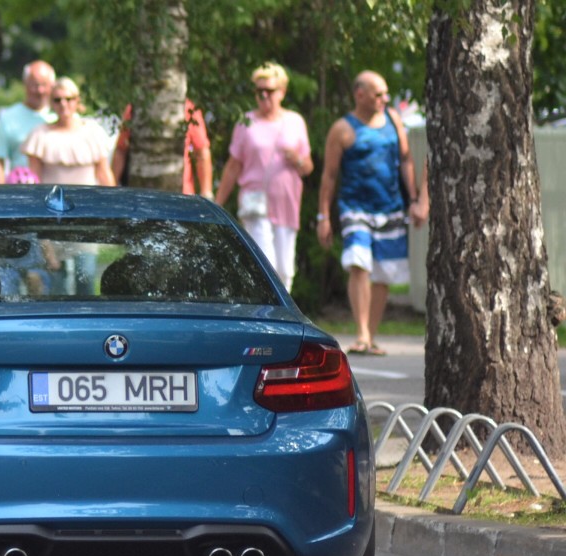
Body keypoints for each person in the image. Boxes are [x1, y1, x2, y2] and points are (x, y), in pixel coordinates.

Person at [317, 70, 423, 355]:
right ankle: (362, 333)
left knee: (383, 274)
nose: (384, 99)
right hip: (355, 208)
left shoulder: (393, 120)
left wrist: (413, 198)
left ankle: (371, 336)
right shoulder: (343, 129)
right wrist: (323, 217)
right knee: (358, 262)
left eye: (386, 93)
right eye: (378, 94)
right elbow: (328, 176)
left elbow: (405, 161)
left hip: (389, 207)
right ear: (359, 94)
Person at [214, 62, 313, 292]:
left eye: (269, 91)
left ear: (282, 92)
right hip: (255, 203)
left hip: (286, 204)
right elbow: (232, 166)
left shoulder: (295, 121)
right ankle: (265, 319)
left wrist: (296, 159)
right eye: (259, 91)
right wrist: (217, 204)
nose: (264, 96)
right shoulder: (246, 122)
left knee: (285, 269)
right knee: (265, 264)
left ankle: (282, 320)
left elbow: (308, 166)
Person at [22, 78, 115, 187]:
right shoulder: (39, 134)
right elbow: (34, 177)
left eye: (68, 99)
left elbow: (103, 173)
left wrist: (114, 199)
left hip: (87, 200)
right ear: (51, 103)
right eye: (58, 100)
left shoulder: (93, 131)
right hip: (52, 201)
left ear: (77, 100)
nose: (63, 104)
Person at [111, 99, 212, 197]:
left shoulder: (187, 109)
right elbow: (121, 150)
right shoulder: (137, 109)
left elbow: (201, 151)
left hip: (180, 195)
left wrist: (206, 192)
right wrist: (111, 189)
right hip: (141, 193)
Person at [0, 60, 56, 185]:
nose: (39, 90)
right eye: (34, 85)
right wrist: (0, 196)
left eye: (44, 84)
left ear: (52, 86)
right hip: (22, 190)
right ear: (25, 85)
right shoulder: (8, 118)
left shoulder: (60, 116)